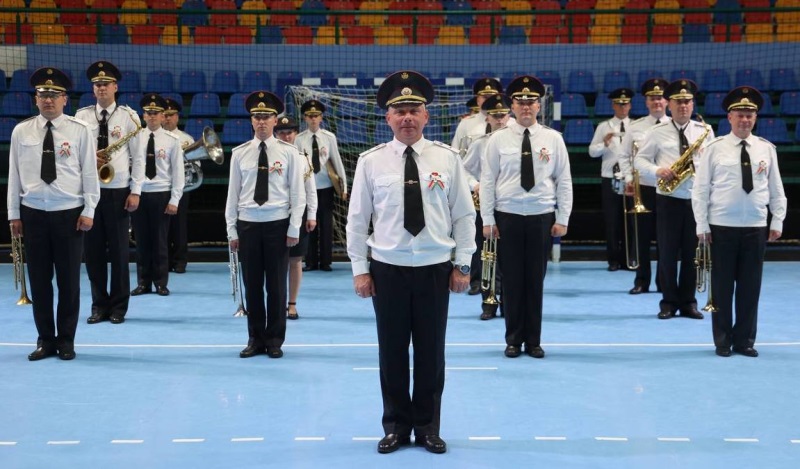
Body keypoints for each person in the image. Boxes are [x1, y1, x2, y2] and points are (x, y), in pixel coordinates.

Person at [347, 70, 475, 454]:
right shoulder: (371, 162)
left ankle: (428, 427)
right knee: (391, 352)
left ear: (426, 116)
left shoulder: (447, 159)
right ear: (388, 118)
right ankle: (397, 427)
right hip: (387, 270)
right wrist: (360, 270)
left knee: (432, 353)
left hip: (435, 269)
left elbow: (463, 215)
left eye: (413, 110)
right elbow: (357, 221)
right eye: (399, 111)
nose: (407, 118)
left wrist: (463, 264)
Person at [7, 67, 99, 360]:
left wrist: (89, 209)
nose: (48, 100)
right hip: (33, 214)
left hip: (69, 214)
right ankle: (45, 340)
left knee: (69, 282)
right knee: (39, 281)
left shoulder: (80, 130)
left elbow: (90, 173)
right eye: (43, 94)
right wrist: (13, 213)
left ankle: (66, 340)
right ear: (35, 99)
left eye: (54, 95)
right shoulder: (21, 131)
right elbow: (14, 175)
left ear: (64, 99)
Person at [480, 75, 573, 359]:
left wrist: (563, 217)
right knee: (510, 281)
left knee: (535, 281)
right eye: (520, 102)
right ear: (512, 105)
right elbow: (487, 181)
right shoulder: (497, 139)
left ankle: (533, 340)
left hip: (541, 216)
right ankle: (513, 340)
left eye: (531, 102)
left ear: (538, 105)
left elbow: (564, 180)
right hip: (507, 216)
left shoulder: (553, 139)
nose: (525, 106)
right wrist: (488, 219)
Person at [692, 86, 787, 358]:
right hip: (721, 228)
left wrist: (777, 220)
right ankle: (722, 341)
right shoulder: (714, 149)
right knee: (722, 287)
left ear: (755, 118)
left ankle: (744, 340)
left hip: (755, 227)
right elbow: (700, 190)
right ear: (729, 117)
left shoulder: (766, 149)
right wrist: (702, 224)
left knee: (750, 288)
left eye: (749, 115)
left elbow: (776, 187)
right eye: (740, 115)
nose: (745, 120)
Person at [225, 91, 306, 359]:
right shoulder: (240, 154)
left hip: (277, 225)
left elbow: (298, 194)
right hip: (248, 225)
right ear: (251, 120)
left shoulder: (290, 153)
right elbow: (233, 195)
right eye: (257, 117)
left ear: (275, 120)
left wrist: (294, 228)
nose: (261, 121)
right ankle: (255, 339)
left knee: (276, 286)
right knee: (252, 285)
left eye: (266, 117)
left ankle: (274, 340)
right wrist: (231, 230)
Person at [634, 79, 714, 320]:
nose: (683, 106)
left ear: (693, 104)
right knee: (667, 253)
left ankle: (689, 302)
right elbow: (639, 160)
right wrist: (657, 170)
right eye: (678, 102)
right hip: (669, 199)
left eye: (687, 101)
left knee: (692, 253)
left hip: (696, 199)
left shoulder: (705, 131)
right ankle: (668, 302)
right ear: (669, 104)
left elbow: (714, 163)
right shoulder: (656, 132)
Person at [75, 61, 143, 325]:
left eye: (105, 84)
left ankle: (118, 307)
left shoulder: (129, 117)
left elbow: (138, 158)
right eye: (97, 85)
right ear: (93, 89)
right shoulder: (81, 117)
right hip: (88, 193)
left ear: (115, 87)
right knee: (92, 254)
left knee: (119, 253)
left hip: (118, 192)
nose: (101, 88)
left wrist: (135, 191)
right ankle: (98, 306)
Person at [462, 93, 512, 320]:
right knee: (487, 256)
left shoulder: (518, 141)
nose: (500, 120)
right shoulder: (480, 143)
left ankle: (509, 304)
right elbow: (463, 169)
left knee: (509, 257)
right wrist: (475, 184)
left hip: (510, 206)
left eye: (503, 115)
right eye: (495, 116)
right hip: (485, 207)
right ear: (487, 118)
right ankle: (488, 303)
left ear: (509, 116)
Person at [129, 94, 184, 297]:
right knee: (142, 241)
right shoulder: (134, 138)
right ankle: (143, 282)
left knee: (160, 241)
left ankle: (161, 282)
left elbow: (178, 172)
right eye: (148, 113)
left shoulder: (172, 140)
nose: (152, 116)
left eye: (156, 113)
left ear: (163, 116)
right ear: (143, 116)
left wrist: (175, 199)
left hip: (161, 194)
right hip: (139, 194)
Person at [618, 78, 670, 294]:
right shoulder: (635, 127)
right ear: (646, 102)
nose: (657, 101)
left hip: (669, 189)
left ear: (667, 101)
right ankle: (641, 281)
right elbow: (623, 155)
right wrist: (629, 178)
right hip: (644, 188)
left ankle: (664, 282)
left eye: (660, 98)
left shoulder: (674, 126)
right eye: (652, 98)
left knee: (666, 239)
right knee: (642, 238)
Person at [451, 77, 502, 295]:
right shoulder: (467, 124)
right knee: (475, 236)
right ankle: (475, 280)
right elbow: (456, 155)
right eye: (484, 96)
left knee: (499, 238)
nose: (487, 99)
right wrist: (473, 185)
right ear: (477, 98)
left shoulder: (510, 124)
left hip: (503, 192)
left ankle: (498, 281)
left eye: (492, 96)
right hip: (475, 190)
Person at [294, 99, 347, 272]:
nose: (313, 119)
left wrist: (344, 186)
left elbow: (337, 161)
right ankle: (310, 261)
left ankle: (326, 262)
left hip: (326, 187)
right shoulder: (299, 139)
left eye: (316, 115)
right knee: (309, 224)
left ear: (321, 117)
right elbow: (296, 164)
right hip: (307, 188)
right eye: (310, 116)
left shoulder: (329, 137)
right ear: (305, 118)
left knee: (326, 225)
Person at [274, 115, 318, 320]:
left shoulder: (303, 158)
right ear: (276, 134)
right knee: (275, 262)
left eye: (289, 132)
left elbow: (311, 190)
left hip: (298, 215)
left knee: (295, 260)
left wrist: (312, 215)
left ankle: (292, 304)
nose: (286, 136)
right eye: (282, 133)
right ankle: (275, 303)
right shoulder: (268, 156)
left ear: (295, 134)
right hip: (275, 215)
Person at [589, 87, 632, 272]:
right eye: (619, 104)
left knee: (630, 221)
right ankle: (613, 260)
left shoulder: (636, 126)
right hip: (610, 178)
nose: (622, 107)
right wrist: (604, 144)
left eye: (625, 104)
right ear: (613, 106)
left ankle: (629, 259)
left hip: (630, 178)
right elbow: (592, 152)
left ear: (630, 106)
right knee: (612, 220)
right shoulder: (603, 126)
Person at [162, 97, 195, 274]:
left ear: (177, 117)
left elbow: (196, 166)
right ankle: (164, 261)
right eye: (165, 115)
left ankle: (180, 261)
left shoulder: (186, 140)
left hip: (181, 189)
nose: (168, 118)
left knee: (179, 226)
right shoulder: (155, 138)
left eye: (171, 115)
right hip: (160, 187)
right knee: (162, 227)